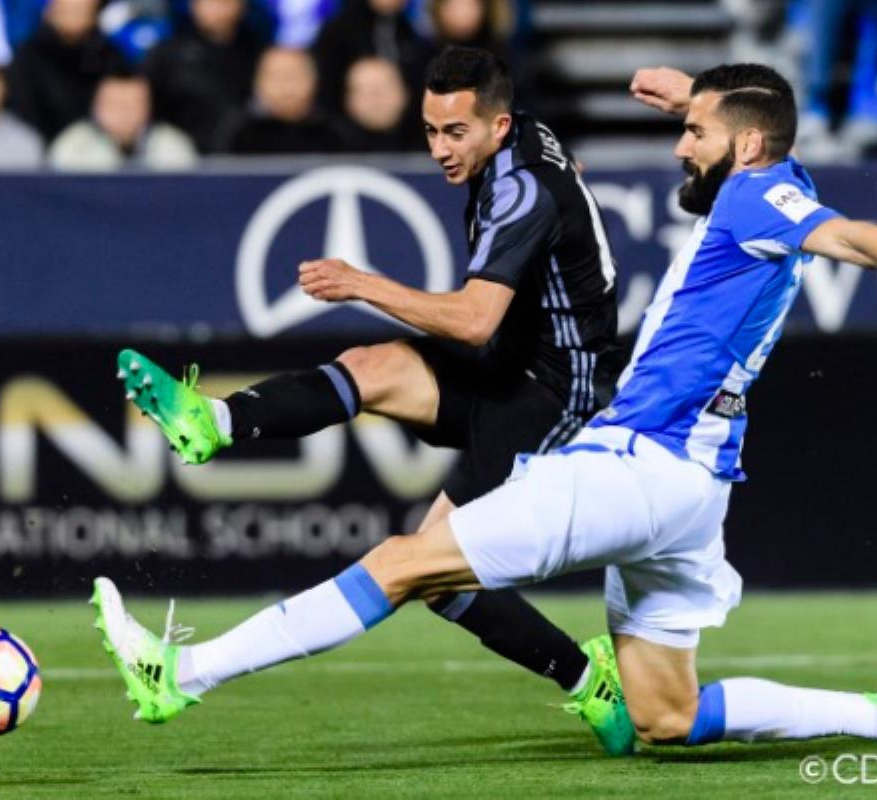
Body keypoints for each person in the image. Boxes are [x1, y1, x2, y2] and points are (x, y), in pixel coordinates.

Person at [97, 60, 877, 759]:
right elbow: (778, 157)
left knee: (406, 562)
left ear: (741, 147)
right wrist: (699, 91)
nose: (678, 144)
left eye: (693, 131)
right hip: (694, 493)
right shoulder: (767, 186)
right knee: (666, 715)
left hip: (633, 466)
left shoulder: (755, 195)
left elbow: (844, 233)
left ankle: (181, 675)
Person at [105, 46, 633, 754]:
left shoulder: (521, 189)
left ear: (499, 126)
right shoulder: (523, 140)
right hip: (511, 362)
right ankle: (215, 420)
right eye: (430, 130)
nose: (441, 150)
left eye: (456, 133)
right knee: (373, 368)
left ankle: (182, 676)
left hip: (555, 392)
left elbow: (475, 319)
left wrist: (362, 283)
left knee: (411, 567)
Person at [143, 0, 265, 152]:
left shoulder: (258, 53)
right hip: (182, 153)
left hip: (245, 150)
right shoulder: (166, 55)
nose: (216, 7)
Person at [5, 0, 126, 142]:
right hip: (42, 147)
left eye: (80, 9)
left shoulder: (109, 56)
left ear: (94, 13)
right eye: (67, 10)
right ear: (50, 12)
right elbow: (23, 115)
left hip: (100, 147)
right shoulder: (27, 57)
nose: (73, 14)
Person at [49, 70, 197, 170]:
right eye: (115, 104)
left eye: (134, 104)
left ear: (149, 108)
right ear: (96, 107)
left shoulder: (174, 147)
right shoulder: (73, 147)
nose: (124, 112)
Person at [218, 46, 339, 154]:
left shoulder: (337, 135)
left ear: (314, 80)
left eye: (292, 76)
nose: (284, 86)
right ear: (257, 83)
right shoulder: (234, 135)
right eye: (275, 76)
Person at [337, 56, 421, 151]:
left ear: (405, 94)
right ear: (348, 100)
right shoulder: (328, 151)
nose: (376, 98)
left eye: (385, 88)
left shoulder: (434, 147)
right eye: (365, 90)